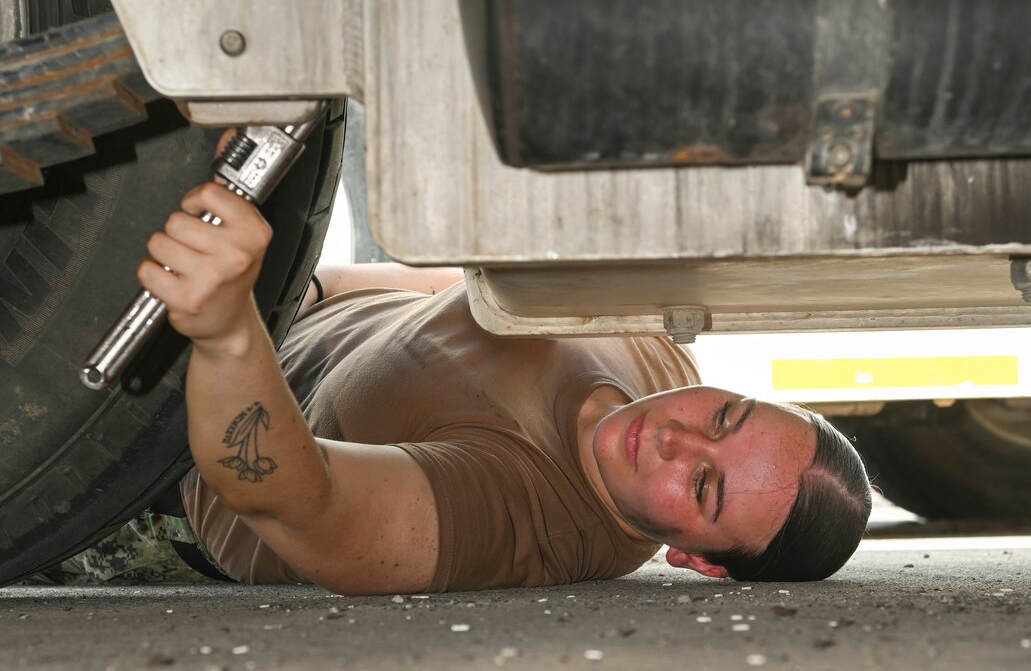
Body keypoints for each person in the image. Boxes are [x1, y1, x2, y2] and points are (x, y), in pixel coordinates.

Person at [38, 160, 872, 592]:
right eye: (724, 417)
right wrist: (305, 288)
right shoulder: (657, 350)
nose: (674, 435)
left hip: (140, 470)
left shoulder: (521, 515)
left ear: (697, 560)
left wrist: (226, 330)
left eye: (700, 486)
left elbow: (303, 501)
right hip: (262, 307)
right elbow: (448, 297)